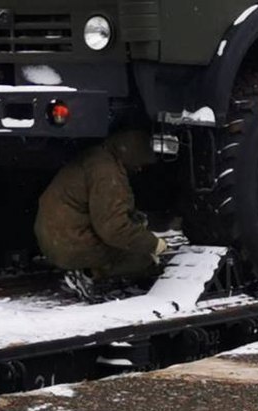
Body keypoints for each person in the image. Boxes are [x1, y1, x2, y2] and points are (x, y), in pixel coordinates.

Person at [35, 127, 167, 301]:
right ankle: (87, 273)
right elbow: (114, 229)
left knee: (132, 242)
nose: (140, 169)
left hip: (54, 237)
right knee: (141, 257)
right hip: (70, 243)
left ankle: (82, 267)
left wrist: (133, 218)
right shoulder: (107, 173)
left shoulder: (97, 158)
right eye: (139, 163)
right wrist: (155, 245)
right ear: (131, 154)